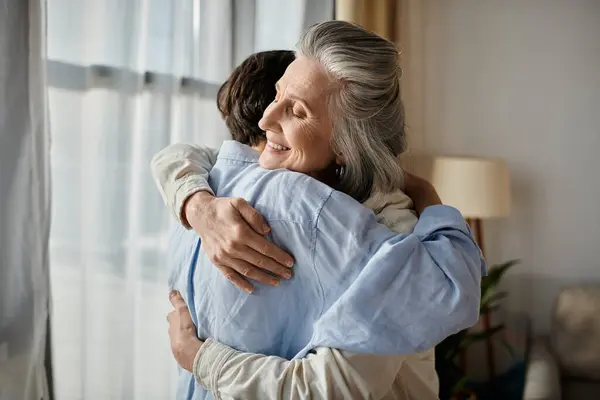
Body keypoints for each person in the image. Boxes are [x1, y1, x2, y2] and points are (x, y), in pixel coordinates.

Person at [153, 21, 484, 400]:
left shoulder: (390, 240)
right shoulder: (269, 176)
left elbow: (331, 389)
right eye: (276, 94)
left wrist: (199, 358)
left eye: (297, 111)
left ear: (345, 146)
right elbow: (182, 156)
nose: (265, 119)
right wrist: (200, 206)